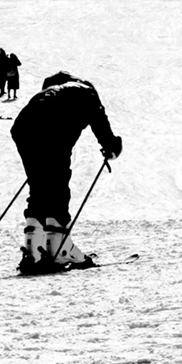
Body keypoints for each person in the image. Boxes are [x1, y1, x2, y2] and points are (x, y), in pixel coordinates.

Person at [11, 71, 123, 273]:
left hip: (23, 128)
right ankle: (59, 248)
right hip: (53, 131)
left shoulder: (48, 93)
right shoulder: (86, 91)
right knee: (57, 186)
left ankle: (32, 250)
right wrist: (111, 146)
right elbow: (100, 122)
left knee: (39, 188)